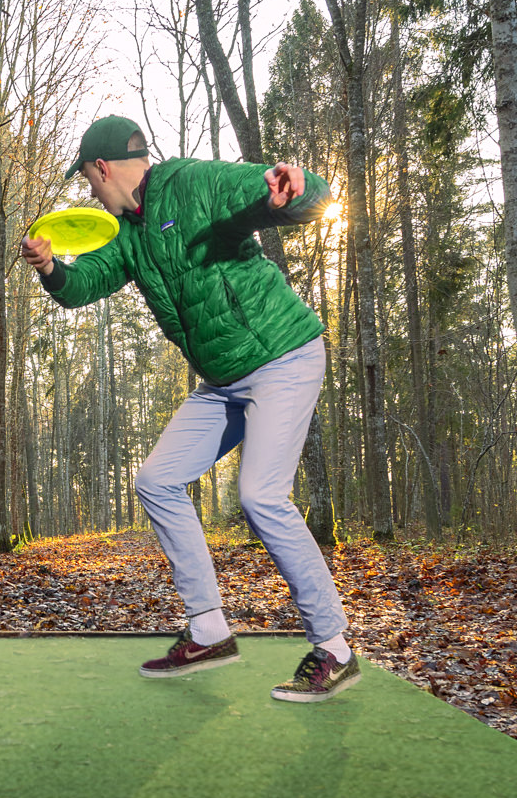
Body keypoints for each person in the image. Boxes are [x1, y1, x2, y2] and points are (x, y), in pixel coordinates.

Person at [21, 114, 358, 703]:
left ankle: (334, 645)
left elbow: (266, 190)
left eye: (88, 180)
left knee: (260, 495)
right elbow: (85, 284)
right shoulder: (126, 233)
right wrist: (51, 268)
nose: (90, 193)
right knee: (157, 479)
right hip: (223, 382)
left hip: (283, 357)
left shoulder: (190, 183)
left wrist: (299, 190)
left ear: (103, 168)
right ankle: (208, 629)